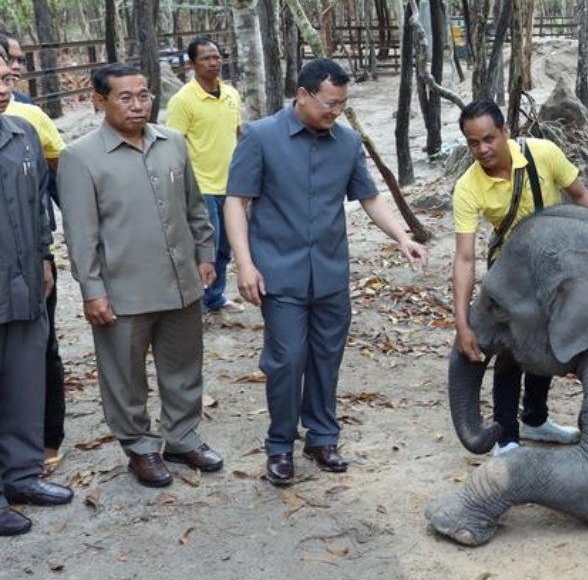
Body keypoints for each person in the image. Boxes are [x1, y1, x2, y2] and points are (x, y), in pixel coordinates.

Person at [223, 58, 427, 486]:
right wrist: (244, 263)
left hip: (330, 274)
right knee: (286, 360)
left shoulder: (347, 143)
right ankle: (280, 445)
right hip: (279, 273)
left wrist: (401, 236)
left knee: (325, 358)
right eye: (330, 103)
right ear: (302, 94)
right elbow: (236, 202)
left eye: (342, 104)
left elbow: (369, 198)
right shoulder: (260, 137)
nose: (336, 111)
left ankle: (321, 436)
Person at [59, 63, 224, 489]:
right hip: (123, 291)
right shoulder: (81, 157)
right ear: (99, 101)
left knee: (184, 367)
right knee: (125, 376)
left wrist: (205, 254)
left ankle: (183, 439)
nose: (138, 105)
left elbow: (194, 208)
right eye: (125, 97)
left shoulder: (171, 143)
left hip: (181, 282)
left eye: (144, 95)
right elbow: (81, 235)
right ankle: (140, 447)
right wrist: (92, 291)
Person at [452, 99, 588, 455]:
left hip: (554, 269)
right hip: (511, 275)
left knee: (545, 343)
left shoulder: (544, 154)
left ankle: (535, 420)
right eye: (473, 143)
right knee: (509, 350)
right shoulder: (467, 188)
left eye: (489, 138)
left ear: (505, 132)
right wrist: (461, 323)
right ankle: (506, 437)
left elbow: (583, 198)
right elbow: (464, 257)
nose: (482, 149)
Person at [0, 53, 72, 537]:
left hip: (25, 284)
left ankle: (23, 475)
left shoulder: (22, 134)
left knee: (26, 384)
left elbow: (40, 207)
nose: (5, 85)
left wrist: (46, 257)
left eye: (7, 77)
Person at [165, 36, 241, 313]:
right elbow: (173, 144)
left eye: (217, 56)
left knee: (226, 248)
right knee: (206, 246)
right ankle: (197, 302)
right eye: (206, 58)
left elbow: (236, 133)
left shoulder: (232, 94)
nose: (213, 62)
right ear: (192, 63)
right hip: (201, 185)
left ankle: (215, 298)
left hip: (230, 185)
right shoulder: (182, 101)